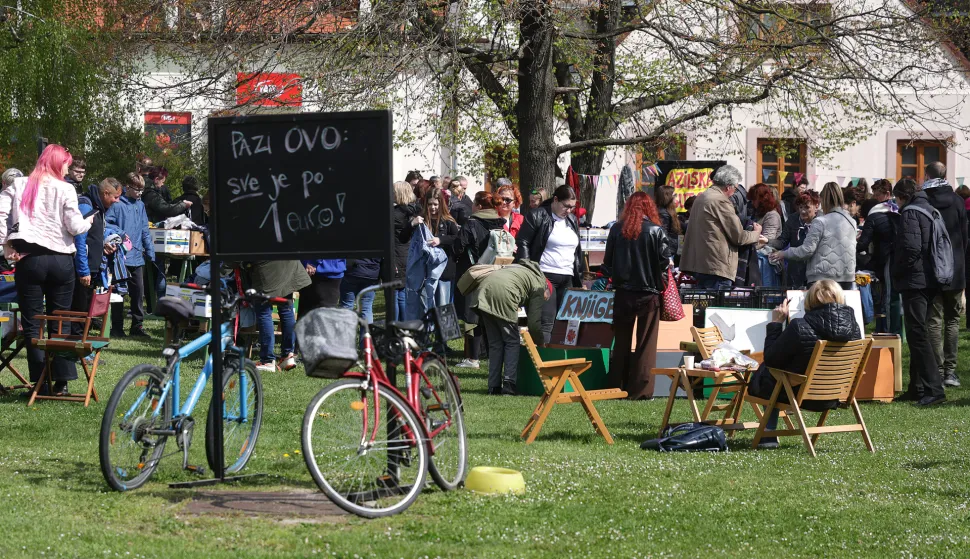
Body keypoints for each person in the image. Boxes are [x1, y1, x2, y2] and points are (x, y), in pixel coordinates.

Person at [0, 145, 91, 394]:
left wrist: (5, 243)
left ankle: (40, 384)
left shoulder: (20, 184)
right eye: (65, 164)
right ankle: (60, 383)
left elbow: (1, 213)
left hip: (31, 260)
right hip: (61, 261)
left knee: (33, 323)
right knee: (60, 320)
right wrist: (87, 223)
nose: (67, 169)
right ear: (56, 163)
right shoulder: (66, 188)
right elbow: (74, 226)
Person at [747, 280, 862, 448]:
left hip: (801, 394)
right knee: (776, 374)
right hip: (836, 394)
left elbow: (772, 358)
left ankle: (769, 434)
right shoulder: (854, 329)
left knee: (766, 371)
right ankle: (768, 434)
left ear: (809, 301)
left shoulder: (800, 326)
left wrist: (776, 324)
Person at [603, 192, 672, 400]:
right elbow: (664, 263)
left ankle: (616, 386)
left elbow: (607, 265)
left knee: (621, 342)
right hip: (648, 293)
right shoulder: (655, 230)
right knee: (646, 344)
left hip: (623, 292)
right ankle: (641, 391)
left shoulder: (616, 229)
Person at [892, 178, 946, 406]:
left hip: (916, 280)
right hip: (932, 278)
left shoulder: (910, 213)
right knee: (918, 333)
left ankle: (934, 388)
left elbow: (911, 248)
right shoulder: (931, 209)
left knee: (918, 335)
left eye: (896, 198)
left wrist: (897, 270)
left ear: (902, 196)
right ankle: (918, 387)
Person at [468, 260, 549, 395]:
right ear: (547, 289)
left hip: (482, 293)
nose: (544, 300)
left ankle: (493, 387)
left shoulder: (519, 269)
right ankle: (509, 384)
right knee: (512, 341)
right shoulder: (539, 285)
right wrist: (540, 342)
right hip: (502, 295)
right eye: (545, 298)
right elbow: (534, 324)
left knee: (495, 343)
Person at [516, 185, 583, 344]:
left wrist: (580, 279)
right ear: (555, 200)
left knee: (565, 322)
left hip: (567, 277)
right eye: (566, 206)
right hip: (544, 275)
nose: (569, 211)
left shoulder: (572, 220)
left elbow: (577, 253)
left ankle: (558, 358)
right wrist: (530, 271)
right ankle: (541, 360)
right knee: (546, 322)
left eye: (572, 207)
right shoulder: (537, 215)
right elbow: (523, 242)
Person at [921, 162, 967, 389]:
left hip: (933, 269)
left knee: (934, 319)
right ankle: (950, 371)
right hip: (956, 269)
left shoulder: (925, 201)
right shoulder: (958, 201)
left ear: (927, 175)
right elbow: (964, 238)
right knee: (953, 320)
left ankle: (938, 371)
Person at [680, 165, 763, 289]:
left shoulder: (702, 197)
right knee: (716, 307)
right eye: (735, 188)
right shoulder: (720, 201)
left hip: (701, 264)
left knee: (705, 306)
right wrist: (756, 233)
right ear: (728, 186)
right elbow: (739, 236)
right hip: (716, 266)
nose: (734, 192)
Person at [453, 191, 506, 369]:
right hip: (495, 272)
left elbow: (457, 247)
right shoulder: (500, 223)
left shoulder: (472, 223)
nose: (472, 206)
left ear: (480, 206)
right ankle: (493, 355)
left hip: (475, 273)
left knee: (471, 317)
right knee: (490, 315)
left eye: (474, 203)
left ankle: (472, 358)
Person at [770, 182, 856, 290]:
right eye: (800, 207)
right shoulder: (851, 221)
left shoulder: (820, 221)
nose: (802, 210)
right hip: (847, 278)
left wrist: (784, 253)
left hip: (822, 279)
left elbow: (807, 250)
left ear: (821, 202)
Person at [105, 173, 154, 338]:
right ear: (127, 187)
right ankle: (117, 327)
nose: (139, 193)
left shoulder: (140, 205)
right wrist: (120, 232)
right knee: (119, 293)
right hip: (121, 257)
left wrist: (150, 250)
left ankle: (137, 325)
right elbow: (108, 222)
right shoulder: (117, 204)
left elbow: (145, 230)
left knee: (138, 293)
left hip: (138, 256)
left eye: (142, 190)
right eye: (137, 190)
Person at [73, 178, 123, 339]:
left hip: (92, 268)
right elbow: (80, 238)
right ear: (106, 193)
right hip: (83, 271)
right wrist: (83, 270)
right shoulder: (87, 206)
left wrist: (103, 245)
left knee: (87, 311)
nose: (117, 201)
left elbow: (93, 237)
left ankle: (83, 346)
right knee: (79, 312)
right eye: (115, 197)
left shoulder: (99, 208)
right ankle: (77, 348)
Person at [250, 260, 311, 373]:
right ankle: (288, 356)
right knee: (286, 309)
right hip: (288, 264)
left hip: (268, 267)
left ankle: (267, 360)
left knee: (264, 312)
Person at [857, 179, 901, 334]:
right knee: (895, 297)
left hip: (882, 259)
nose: (874, 198)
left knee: (885, 298)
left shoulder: (874, 215)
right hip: (899, 257)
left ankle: (886, 330)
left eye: (877, 195)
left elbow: (863, 243)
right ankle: (896, 331)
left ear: (886, 194)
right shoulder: (899, 210)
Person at [770, 191, 818, 288]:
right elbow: (782, 241)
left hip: (815, 272)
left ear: (816, 206)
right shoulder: (793, 219)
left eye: (807, 207)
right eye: (800, 207)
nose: (803, 211)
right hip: (795, 272)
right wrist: (767, 241)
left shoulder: (822, 221)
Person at [748, 183, 783, 287]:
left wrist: (746, 247)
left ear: (762, 200)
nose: (752, 202)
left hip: (766, 263)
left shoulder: (772, 215)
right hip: (758, 261)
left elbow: (766, 240)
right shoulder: (759, 214)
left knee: (765, 296)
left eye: (754, 199)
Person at [392, 181, 418, 321]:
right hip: (408, 254)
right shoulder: (413, 211)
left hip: (397, 255)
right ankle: (404, 326)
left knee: (394, 295)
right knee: (402, 294)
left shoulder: (396, 214)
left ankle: (396, 327)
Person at [338, 258, 382, 324]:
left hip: (352, 271)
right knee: (366, 307)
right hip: (372, 273)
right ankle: (366, 333)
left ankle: (346, 332)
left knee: (347, 306)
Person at [654, 185, 681, 256]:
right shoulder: (663, 213)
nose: (677, 198)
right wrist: (667, 256)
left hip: (671, 251)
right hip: (667, 253)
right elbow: (663, 236)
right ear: (667, 197)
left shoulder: (668, 212)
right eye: (675, 195)